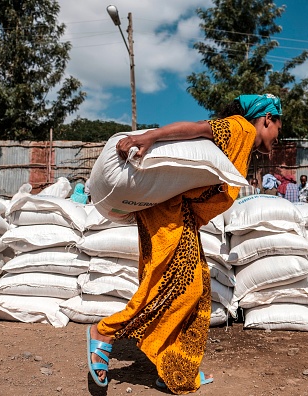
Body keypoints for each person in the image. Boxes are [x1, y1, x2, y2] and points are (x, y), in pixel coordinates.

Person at [87, 94, 282, 393]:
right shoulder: (241, 129)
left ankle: (176, 368)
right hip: (169, 212)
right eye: (279, 127)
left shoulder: (244, 145)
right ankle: (105, 332)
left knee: (200, 289)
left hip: (181, 215)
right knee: (178, 286)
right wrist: (149, 137)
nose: (278, 136)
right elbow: (199, 128)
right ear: (267, 118)